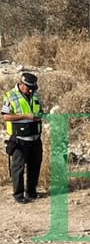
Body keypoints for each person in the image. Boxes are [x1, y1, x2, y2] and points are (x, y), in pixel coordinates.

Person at [2, 72, 44, 204]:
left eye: (33, 88)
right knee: (18, 168)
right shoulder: (10, 96)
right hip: (19, 139)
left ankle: (31, 192)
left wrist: (39, 115)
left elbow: (40, 110)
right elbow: (5, 116)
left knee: (35, 166)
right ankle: (19, 194)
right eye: (28, 87)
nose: (31, 90)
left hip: (35, 138)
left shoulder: (35, 94)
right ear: (21, 84)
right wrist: (26, 116)